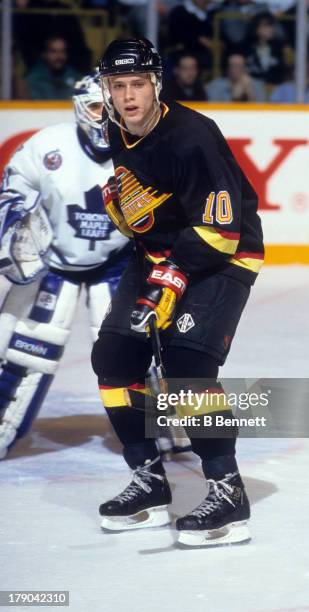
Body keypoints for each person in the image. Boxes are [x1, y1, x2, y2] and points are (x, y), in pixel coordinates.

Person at [93, 38, 264, 547]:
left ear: (156, 86)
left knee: (188, 369)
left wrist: (171, 279)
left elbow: (221, 229)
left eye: (138, 85)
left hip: (223, 254)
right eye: (119, 86)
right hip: (158, 252)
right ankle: (148, 480)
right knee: (115, 358)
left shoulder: (194, 136)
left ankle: (227, 490)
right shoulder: (115, 128)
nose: (128, 96)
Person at [0, 74, 131, 459]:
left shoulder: (143, 148)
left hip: (118, 262)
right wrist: (13, 223)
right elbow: (13, 189)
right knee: (25, 349)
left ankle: (156, 433)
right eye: (96, 107)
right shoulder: (46, 146)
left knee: (134, 352)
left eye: (113, 106)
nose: (106, 116)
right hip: (53, 264)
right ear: (79, 108)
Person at [26, 35, 81, 100]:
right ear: (44, 54)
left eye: (62, 51)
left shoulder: (76, 78)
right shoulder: (33, 80)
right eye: (53, 51)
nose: (59, 56)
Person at [245, 12, 286, 86]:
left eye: (272, 26)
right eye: (266, 26)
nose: (271, 29)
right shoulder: (245, 48)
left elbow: (282, 73)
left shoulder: (279, 47)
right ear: (256, 29)